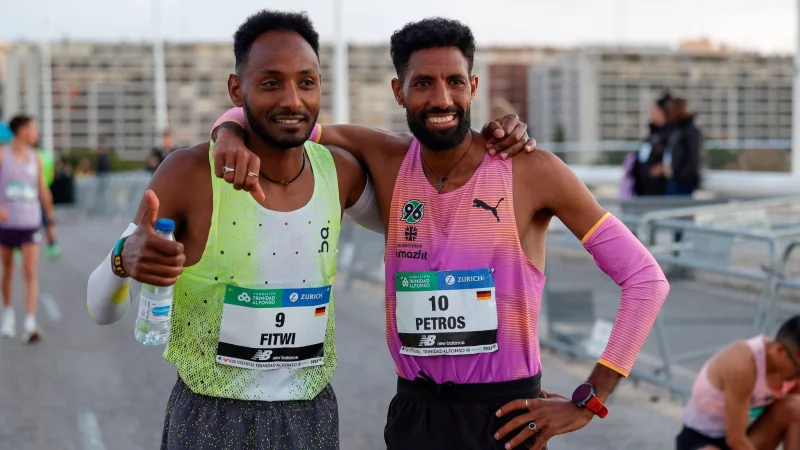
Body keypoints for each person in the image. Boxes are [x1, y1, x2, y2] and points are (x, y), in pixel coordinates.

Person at [210, 17, 670, 450]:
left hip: (506, 418)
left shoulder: (531, 170)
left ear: (473, 87)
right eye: (423, 83)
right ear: (399, 91)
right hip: (416, 414)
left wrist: (589, 399)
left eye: (454, 82)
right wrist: (227, 133)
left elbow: (645, 279)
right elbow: (278, 116)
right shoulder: (387, 159)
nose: (442, 99)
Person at [85, 10, 533, 449]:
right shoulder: (188, 173)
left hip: (310, 418)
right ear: (237, 89)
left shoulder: (340, 172)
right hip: (210, 418)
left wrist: (490, 148)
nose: (291, 100)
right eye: (270, 83)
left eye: (306, 82)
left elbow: (432, 228)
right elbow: (100, 309)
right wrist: (123, 259)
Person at [677, 315, 800, 450]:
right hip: (701, 437)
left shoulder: (792, 369)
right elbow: (735, 439)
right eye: (798, 368)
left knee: (796, 407)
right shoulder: (743, 364)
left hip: (748, 434)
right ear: (780, 351)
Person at [0, 114, 55, 343]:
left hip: (30, 223)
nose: (36, 133)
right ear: (22, 131)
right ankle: (8, 313)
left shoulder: (36, 158)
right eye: (33, 129)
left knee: (30, 271)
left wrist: (50, 221)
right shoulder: (2, 154)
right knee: (8, 271)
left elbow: (42, 190)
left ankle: (30, 322)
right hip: (6, 224)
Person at [659, 97, 702, 197]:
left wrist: (681, 176)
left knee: (681, 206)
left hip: (683, 181)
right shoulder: (677, 129)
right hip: (674, 179)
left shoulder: (690, 130)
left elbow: (693, 156)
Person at [36, 146, 60, 258]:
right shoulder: (47, 157)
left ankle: (18, 247)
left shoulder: (32, 156)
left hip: (33, 191)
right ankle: (52, 246)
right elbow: (52, 175)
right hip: (46, 190)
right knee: (49, 219)